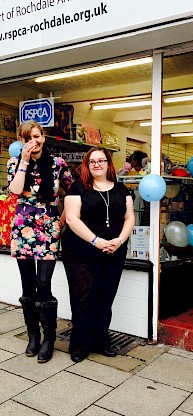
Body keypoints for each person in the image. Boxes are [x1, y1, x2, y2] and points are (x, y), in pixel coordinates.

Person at [61, 147, 135, 363]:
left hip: (113, 251)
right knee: (84, 298)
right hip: (81, 252)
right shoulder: (78, 188)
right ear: (87, 165)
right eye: (92, 161)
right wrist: (96, 241)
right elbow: (72, 219)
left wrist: (119, 241)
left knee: (105, 298)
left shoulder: (122, 190)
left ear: (108, 164)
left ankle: (101, 342)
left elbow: (129, 218)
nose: (97, 164)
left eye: (101, 160)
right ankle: (80, 346)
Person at [7, 120, 73, 362]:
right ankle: (33, 335)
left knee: (43, 283)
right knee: (27, 284)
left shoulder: (57, 164)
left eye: (37, 136)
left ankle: (49, 338)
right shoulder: (15, 162)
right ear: (23, 141)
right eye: (28, 138)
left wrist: (63, 218)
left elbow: (73, 192)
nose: (34, 142)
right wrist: (24, 162)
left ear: (43, 137)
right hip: (23, 229)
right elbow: (14, 191)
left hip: (48, 228)